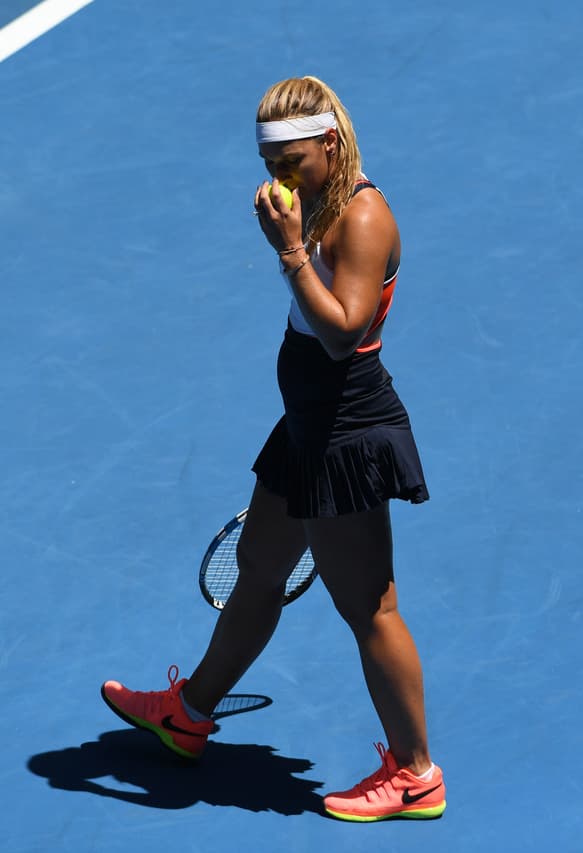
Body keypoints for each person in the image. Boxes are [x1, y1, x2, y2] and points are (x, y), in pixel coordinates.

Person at [100, 76, 445, 823]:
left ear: (330, 142)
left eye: (293, 161)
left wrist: (290, 251)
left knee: (371, 607)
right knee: (259, 570)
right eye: (270, 164)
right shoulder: (317, 200)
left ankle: (416, 773)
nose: (279, 179)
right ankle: (188, 713)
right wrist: (293, 234)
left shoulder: (361, 216)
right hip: (304, 425)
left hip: (345, 436)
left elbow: (343, 329)